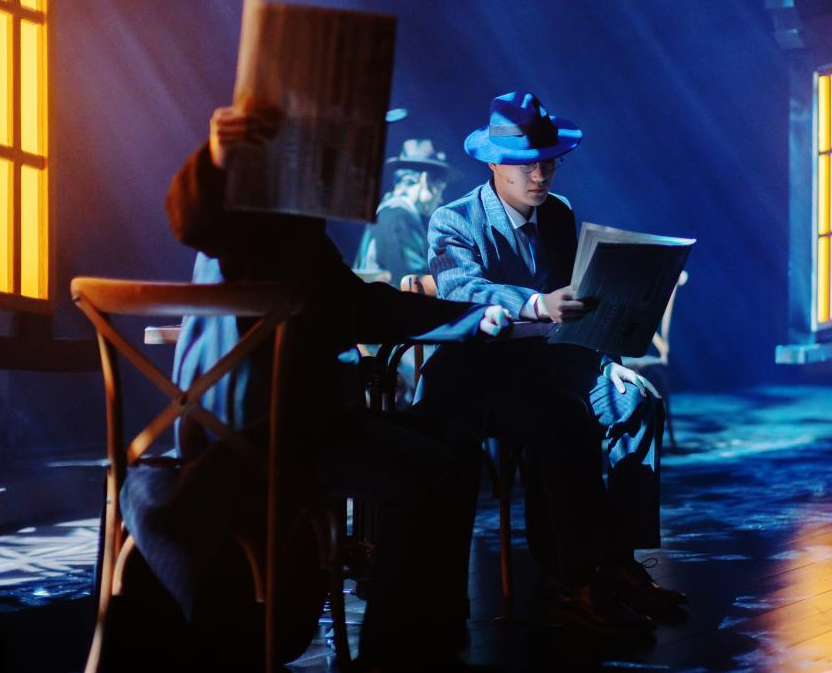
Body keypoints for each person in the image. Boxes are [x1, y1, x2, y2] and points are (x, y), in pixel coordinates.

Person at [113, 99, 510, 670]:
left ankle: (412, 645)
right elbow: (194, 220)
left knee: (447, 448)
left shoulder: (290, 230)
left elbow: (358, 306)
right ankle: (400, 656)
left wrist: (471, 317)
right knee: (436, 471)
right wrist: (218, 155)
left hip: (257, 433)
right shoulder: (246, 220)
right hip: (274, 439)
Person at [417, 91, 686, 635]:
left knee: (636, 401)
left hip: (552, 362)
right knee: (560, 415)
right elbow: (461, 290)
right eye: (526, 165)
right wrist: (536, 304)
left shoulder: (557, 214)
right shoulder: (455, 220)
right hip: (480, 374)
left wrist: (607, 354)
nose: (540, 175)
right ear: (495, 163)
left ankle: (620, 562)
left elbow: (577, 298)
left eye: (549, 162)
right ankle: (576, 578)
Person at [354, 138, 451, 279]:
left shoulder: (389, 208)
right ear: (425, 180)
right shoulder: (400, 216)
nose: (441, 199)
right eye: (441, 189)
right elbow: (412, 281)